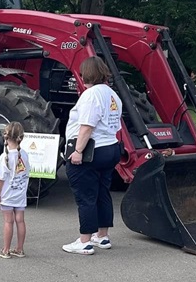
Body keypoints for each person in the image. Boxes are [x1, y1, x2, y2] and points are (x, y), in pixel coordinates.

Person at [62, 57, 122, 255]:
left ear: (85, 74)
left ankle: (85, 241)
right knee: (102, 192)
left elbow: (87, 125)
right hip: (111, 147)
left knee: (85, 196)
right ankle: (102, 236)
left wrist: (77, 151)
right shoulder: (112, 94)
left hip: (91, 150)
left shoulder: (90, 95)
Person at [0, 121, 29, 259]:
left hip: (7, 195)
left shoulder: (4, 157)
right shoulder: (24, 155)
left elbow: (0, 179)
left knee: (8, 222)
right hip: (20, 194)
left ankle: (6, 250)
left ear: (5, 137)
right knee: (20, 220)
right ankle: (19, 249)